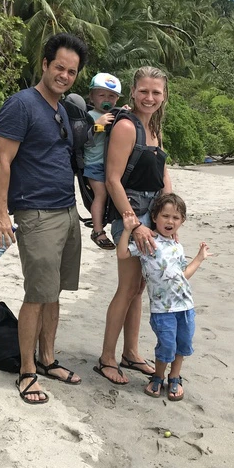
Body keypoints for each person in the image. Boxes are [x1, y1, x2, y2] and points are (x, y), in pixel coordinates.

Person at [0, 33, 88, 405]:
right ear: (45, 64)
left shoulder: (61, 108)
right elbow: (3, 161)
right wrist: (1, 214)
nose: (64, 75)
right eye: (59, 67)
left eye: (72, 71)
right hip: (34, 213)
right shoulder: (21, 105)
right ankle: (28, 371)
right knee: (36, 294)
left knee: (55, 292)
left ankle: (48, 358)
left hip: (66, 210)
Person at [96, 66, 173, 385]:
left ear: (164, 95)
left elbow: (163, 174)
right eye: (144, 91)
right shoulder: (126, 127)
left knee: (139, 288)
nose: (150, 97)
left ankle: (130, 352)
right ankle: (107, 358)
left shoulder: (153, 126)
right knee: (127, 287)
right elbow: (112, 179)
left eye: (156, 92)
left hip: (152, 214)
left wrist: (170, 215)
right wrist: (134, 224)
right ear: (133, 91)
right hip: (130, 216)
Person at [116, 194, 209, 401]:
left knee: (182, 344)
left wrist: (199, 258)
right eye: (165, 216)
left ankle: (174, 377)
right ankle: (158, 376)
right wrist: (128, 230)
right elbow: (122, 254)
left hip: (185, 306)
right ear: (154, 218)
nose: (170, 221)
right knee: (166, 345)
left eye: (176, 218)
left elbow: (183, 274)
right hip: (162, 309)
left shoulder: (178, 246)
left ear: (182, 221)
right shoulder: (147, 241)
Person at [85, 73, 123, 250]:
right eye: (101, 95)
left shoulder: (114, 114)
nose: (107, 99)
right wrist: (98, 125)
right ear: (92, 96)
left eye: (111, 96)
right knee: (101, 195)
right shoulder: (90, 116)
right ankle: (97, 230)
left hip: (110, 165)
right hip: (94, 164)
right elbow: (82, 139)